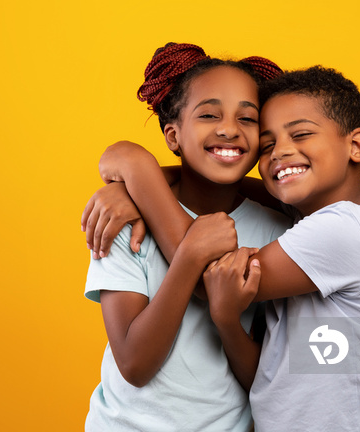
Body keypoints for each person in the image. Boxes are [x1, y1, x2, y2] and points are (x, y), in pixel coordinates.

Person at [85, 66, 360, 431]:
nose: (281, 153)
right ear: (173, 134)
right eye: (268, 143)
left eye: (302, 134)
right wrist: (139, 178)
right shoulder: (327, 218)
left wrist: (138, 169)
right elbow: (267, 377)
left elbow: (210, 276)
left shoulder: (340, 230)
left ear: (356, 145)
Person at [82, 43, 290, 431]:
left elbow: (266, 377)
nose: (229, 128)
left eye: (247, 119)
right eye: (209, 114)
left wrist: (137, 167)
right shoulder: (125, 221)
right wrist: (190, 254)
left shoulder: (278, 231)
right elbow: (133, 364)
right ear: (173, 135)